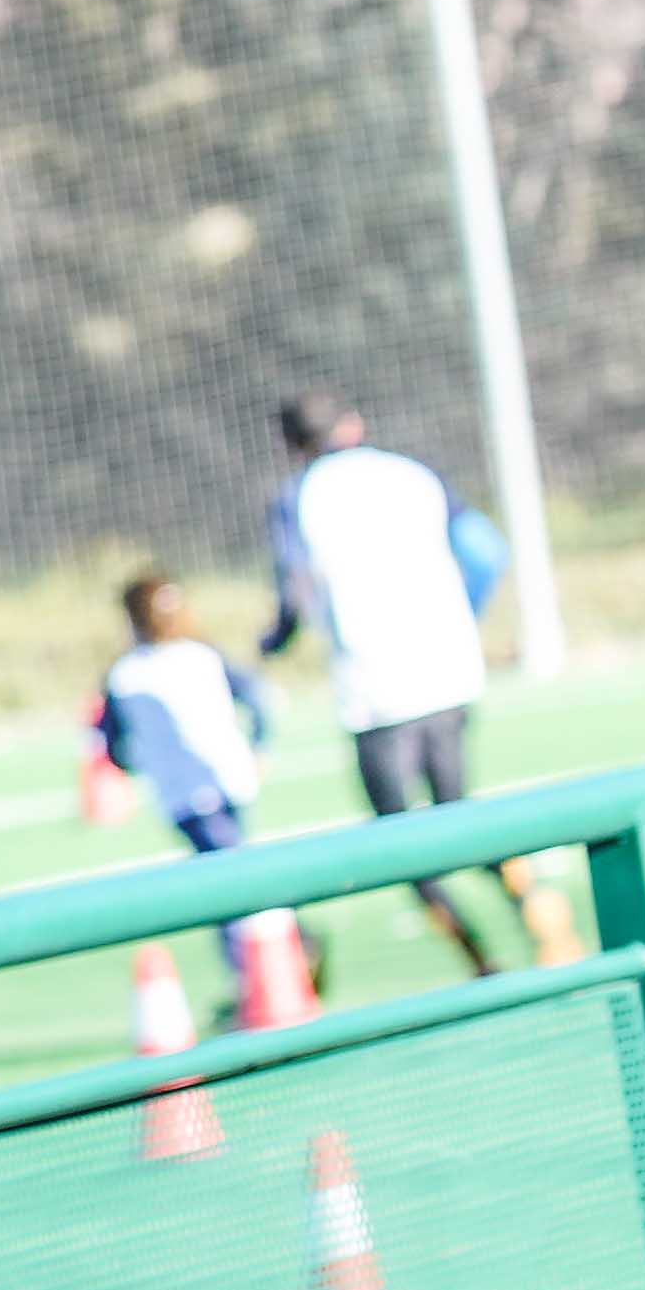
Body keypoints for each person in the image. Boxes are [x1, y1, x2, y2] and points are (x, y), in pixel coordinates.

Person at [263, 393, 512, 973]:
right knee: (462, 816)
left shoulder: (296, 499)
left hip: (374, 687)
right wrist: (464, 616)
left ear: (291, 444)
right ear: (353, 425)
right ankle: (537, 908)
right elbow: (486, 551)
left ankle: (480, 962)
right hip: (448, 668)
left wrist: (272, 643)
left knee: (399, 842)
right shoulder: (412, 474)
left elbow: (293, 595)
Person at [93, 572, 282, 1005]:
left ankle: (263, 973)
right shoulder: (201, 655)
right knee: (229, 874)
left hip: (185, 793)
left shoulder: (127, 675)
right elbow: (256, 698)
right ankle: (267, 968)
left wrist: (139, 761)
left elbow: (111, 743)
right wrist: (259, 745)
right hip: (228, 779)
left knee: (225, 884)